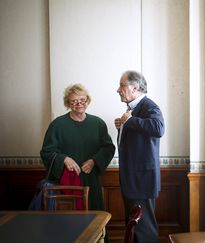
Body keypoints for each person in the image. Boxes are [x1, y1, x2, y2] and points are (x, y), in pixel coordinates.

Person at [40, 83, 115, 211]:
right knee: (70, 221)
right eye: (74, 101)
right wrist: (64, 159)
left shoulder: (98, 123)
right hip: (67, 181)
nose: (79, 103)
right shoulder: (57, 125)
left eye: (82, 100)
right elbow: (46, 151)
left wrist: (94, 161)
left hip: (91, 180)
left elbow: (108, 148)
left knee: (94, 218)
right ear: (68, 104)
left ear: (87, 101)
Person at [115, 70, 165, 243]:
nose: (118, 90)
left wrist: (129, 122)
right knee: (134, 229)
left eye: (122, 85)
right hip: (133, 180)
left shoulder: (149, 106)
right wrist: (122, 126)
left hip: (141, 181)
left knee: (144, 231)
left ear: (135, 87)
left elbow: (158, 128)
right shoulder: (133, 110)